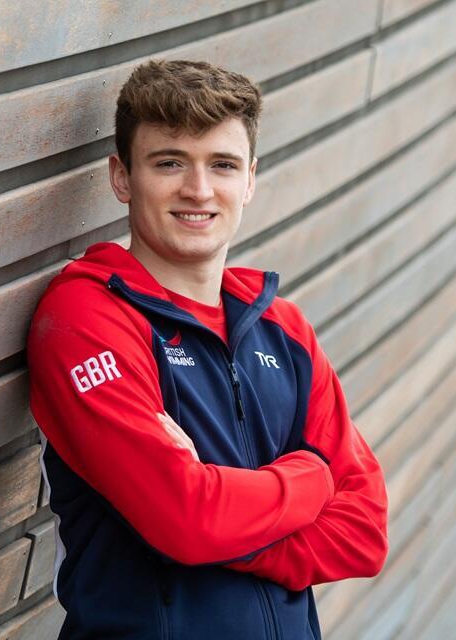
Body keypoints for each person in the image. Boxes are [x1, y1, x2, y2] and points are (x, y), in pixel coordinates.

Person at [26, 59, 388, 640]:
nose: (198, 189)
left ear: (249, 180)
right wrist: (313, 479)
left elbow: (365, 532)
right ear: (122, 177)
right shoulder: (86, 320)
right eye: (169, 163)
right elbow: (186, 518)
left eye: (222, 165)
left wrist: (223, 524)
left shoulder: (282, 329)